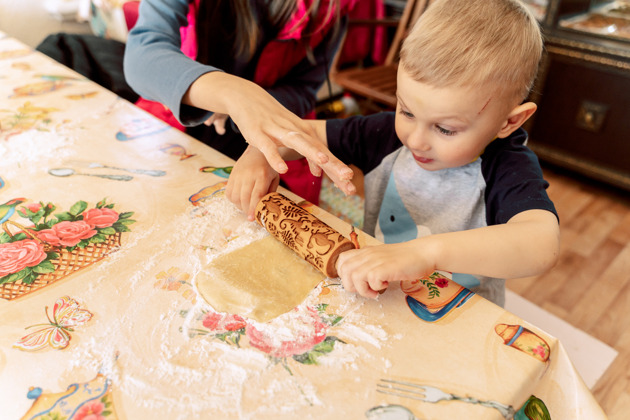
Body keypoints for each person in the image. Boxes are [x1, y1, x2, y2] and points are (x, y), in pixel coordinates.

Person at [225, 0, 561, 307]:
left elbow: (541, 244)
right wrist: (259, 151)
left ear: (509, 121)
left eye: (445, 129)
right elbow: (302, 133)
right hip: (383, 298)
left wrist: (425, 254)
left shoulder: (506, 164)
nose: (415, 140)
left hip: (459, 315)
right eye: (407, 111)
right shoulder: (385, 134)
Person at [123, 0, 358, 202]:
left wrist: (243, 110)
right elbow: (142, 56)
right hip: (177, 119)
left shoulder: (327, 10)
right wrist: (227, 94)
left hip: (267, 134)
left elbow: (303, 90)